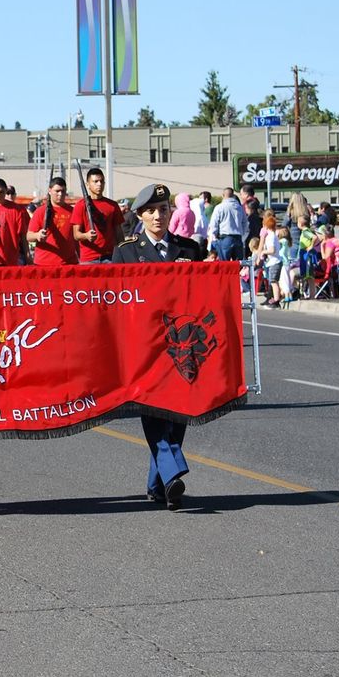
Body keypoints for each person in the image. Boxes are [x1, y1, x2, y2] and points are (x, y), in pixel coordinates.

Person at [111, 184, 203, 510]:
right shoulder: (125, 252)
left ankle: (160, 484)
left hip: (181, 349)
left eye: (163, 209)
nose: (158, 216)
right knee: (153, 411)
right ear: (140, 215)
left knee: (178, 414)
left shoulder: (190, 250)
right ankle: (171, 471)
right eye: (150, 211)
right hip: (144, 348)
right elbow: (117, 302)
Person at [70, 167, 124, 264]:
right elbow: (76, 234)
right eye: (95, 181)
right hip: (88, 258)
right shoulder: (80, 205)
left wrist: (122, 252)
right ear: (88, 184)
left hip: (110, 257)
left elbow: (119, 233)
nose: (99, 184)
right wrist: (86, 235)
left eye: (101, 181)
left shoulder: (112, 205)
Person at [27, 177, 78, 265]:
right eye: (57, 191)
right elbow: (29, 236)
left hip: (68, 263)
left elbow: (76, 238)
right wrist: (38, 235)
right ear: (50, 191)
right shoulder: (40, 211)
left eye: (63, 191)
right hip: (43, 263)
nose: (60, 194)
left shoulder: (72, 211)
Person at [207, 187, 247, 261]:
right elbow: (245, 223)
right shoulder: (239, 208)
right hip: (238, 238)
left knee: (225, 265)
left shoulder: (219, 207)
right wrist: (242, 234)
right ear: (232, 195)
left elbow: (214, 224)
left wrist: (214, 236)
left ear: (223, 195)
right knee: (238, 265)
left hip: (225, 238)